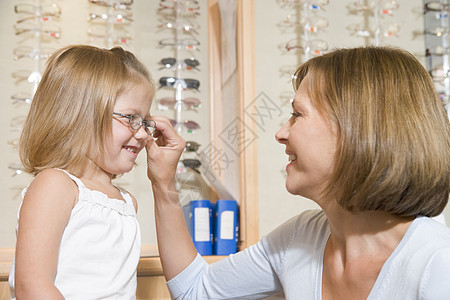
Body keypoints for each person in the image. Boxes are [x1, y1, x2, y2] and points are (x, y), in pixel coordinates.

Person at [145, 46, 450, 299]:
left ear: (356, 130)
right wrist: (163, 184)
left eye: (296, 114)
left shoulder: (437, 265)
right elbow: (196, 291)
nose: (280, 133)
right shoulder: (301, 238)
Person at [9, 45, 156, 299]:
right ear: (82, 117)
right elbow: (31, 286)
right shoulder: (55, 186)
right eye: (132, 118)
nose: (143, 133)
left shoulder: (126, 203)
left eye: (145, 122)